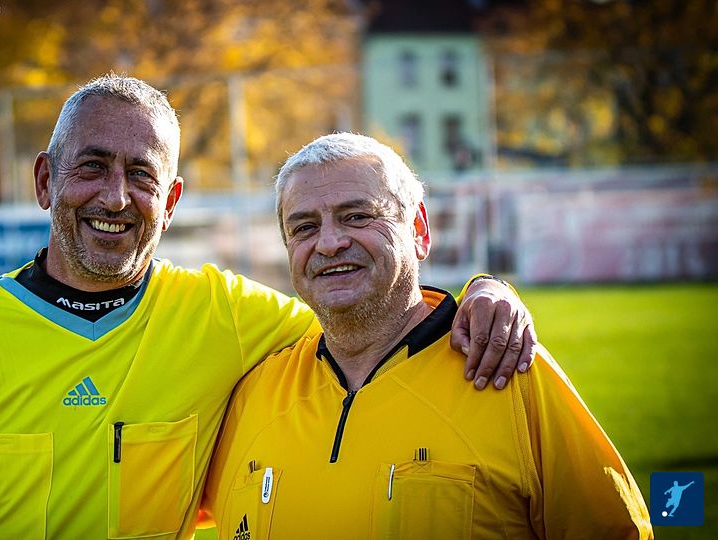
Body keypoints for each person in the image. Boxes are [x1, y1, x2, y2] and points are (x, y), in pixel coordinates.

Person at [0, 75, 536, 539]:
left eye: (142, 175)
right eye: (92, 167)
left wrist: (487, 289)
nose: (116, 197)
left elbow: (376, 314)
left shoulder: (226, 314)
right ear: (45, 180)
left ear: (171, 202)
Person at [202, 133, 652, 538]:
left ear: (418, 229)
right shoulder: (252, 395)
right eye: (304, 227)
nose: (329, 242)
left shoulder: (507, 371)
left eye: (357, 216)